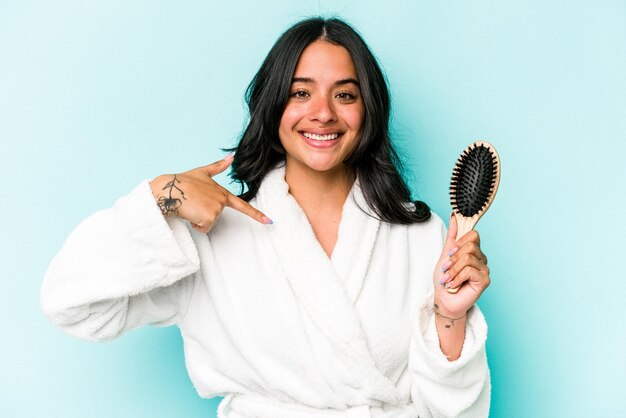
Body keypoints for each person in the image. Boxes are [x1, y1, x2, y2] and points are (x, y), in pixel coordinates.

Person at [41, 17, 491, 418]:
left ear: (367, 110)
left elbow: (456, 412)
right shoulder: (207, 233)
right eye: (301, 92)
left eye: (345, 94)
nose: (323, 113)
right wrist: (161, 196)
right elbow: (73, 304)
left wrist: (450, 316)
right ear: (273, 103)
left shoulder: (422, 236)